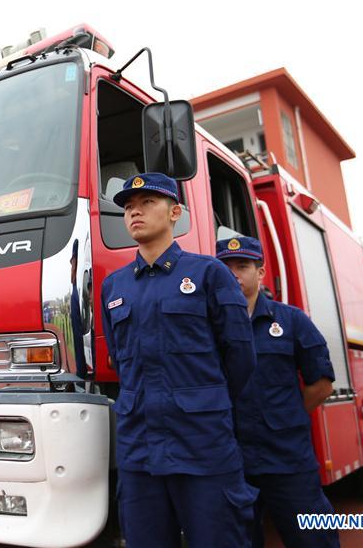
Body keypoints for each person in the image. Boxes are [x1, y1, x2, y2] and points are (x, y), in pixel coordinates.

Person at [100, 173, 258, 548]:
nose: (135, 212)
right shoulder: (114, 286)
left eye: (147, 203)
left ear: (176, 212)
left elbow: (240, 357)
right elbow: (120, 362)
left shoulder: (209, 273)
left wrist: (202, 401)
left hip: (203, 445)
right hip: (139, 449)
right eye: (128, 207)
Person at [216, 236, 339, 548]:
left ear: (260, 273)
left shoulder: (292, 321)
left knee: (313, 539)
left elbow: (321, 384)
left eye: (242, 266)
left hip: (287, 460)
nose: (233, 274)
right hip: (230, 462)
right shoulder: (207, 327)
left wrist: (284, 417)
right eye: (225, 267)